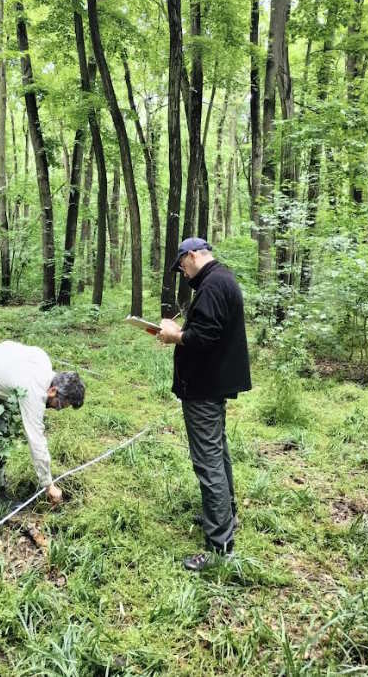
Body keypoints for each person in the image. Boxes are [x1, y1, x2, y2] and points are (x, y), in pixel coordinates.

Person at [158, 237, 251, 570]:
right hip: (211, 384)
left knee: (208, 460)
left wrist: (175, 335)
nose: (183, 273)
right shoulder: (220, 280)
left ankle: (219, 546)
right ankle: (226, 515)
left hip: (203, 388)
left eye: (182, 266)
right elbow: (210, 331)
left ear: (193, 255)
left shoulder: (212, 286)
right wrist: (180, 332)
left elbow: (205, 337)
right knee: (218, 451)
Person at [0, 340, 85, 504]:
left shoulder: (43, 360)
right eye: (60, 405)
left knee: (5, 422)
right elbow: (36, 441)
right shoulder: (32, 391)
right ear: (53, 390)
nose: (57, 409)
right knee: (1, 432)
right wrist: (49, 486)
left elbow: (9, 346)